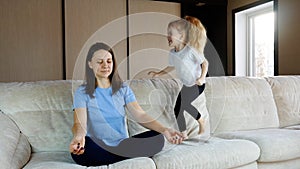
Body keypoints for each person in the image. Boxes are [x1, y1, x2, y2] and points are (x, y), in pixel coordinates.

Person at [69, 42, 183, 166]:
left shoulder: (123, 89)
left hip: (122, 144)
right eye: (99, 62)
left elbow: (140, 115)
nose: (105, 65)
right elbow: (79, 123)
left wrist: (165, 129)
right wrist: (79, 137)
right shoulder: (82, 92)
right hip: (97, 145)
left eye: (109, 61)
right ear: (90, 64)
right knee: (83, 150)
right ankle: (126, 155)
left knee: (158, 138)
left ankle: (116, 155)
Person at [148, 16, 209, 140]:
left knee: (184, 104)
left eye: (171, 33)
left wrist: (202, 78)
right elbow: (171, 66)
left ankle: (201, 120)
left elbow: (205, 63)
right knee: (177, 109)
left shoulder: (190, 51)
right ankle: (184, 134)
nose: (168, 36)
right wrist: (159, 73)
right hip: (187, 85)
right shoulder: (173, 53)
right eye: (167, 33)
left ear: (181, 36)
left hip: (197, 84)